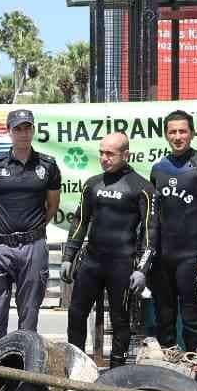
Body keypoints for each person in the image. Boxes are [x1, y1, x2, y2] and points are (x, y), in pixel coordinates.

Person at [62, 132, 156, 366]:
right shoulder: (92, 184)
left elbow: (150, 231)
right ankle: (75, 365)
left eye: (110, 154)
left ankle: (116, 371)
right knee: (76, 313)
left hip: (122, 264)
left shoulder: (142, 187)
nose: (104, 158)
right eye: (101, 153)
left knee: (120, 319)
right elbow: (80, 220)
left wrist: (142, 269)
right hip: (92, 262)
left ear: (126, 155)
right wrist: (68, 256)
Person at [0, 108, 60, 340]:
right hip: (1, 248)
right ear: (9, 131)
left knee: (29, 312)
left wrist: (34, 231)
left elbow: (52, 206)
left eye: (27, 128)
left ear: (33, 130)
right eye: (18, 129)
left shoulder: (48, 165)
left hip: (33, 247)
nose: (23, 133)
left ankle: (25, 359)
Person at [148, 111, 197, 352]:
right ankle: (166, 369)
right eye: (172, 132)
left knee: (193, 319)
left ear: (192, 133)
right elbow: (152, 215)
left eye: (182, 131)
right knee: (164, 317)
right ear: (166, 135)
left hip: (193, 256)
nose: (177, 137)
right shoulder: (158, 168)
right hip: (162, 257)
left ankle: (194, 368)